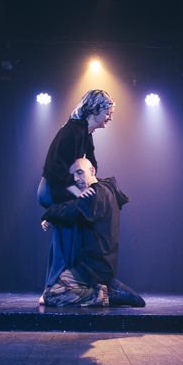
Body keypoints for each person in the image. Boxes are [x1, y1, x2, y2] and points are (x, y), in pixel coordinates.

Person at [37, 90, 115, 296]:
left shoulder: (86, 134)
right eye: (108, 111)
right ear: (95, 109)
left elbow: (92, 164)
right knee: (64, 241)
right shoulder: (72, 131)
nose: (110, 116)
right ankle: (50, 290)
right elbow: (54, 168)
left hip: (66, 190)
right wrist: (75, 193)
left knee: (71, 238)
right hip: (53, 189)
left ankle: (62, 286)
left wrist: (93, 184)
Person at [39, 157, 145, 307]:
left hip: (92, 270)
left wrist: (49, 214)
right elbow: (75, 204)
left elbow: (73, 210)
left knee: (51, 295)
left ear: (92, 171)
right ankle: (109, 289)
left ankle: (108, 295)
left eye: (80, 172)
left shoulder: (98, 192)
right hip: (98, 267)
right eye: (73, 175)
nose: (76, 179)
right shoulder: (105, 190)